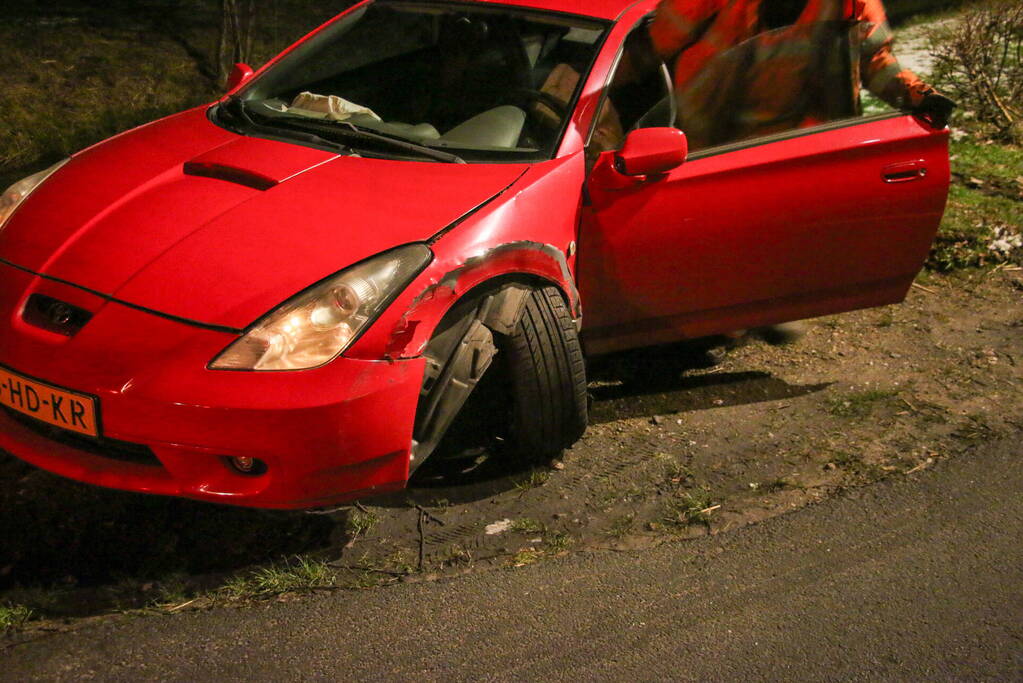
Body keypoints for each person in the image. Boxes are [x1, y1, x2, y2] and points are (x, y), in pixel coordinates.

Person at [647, 0, 956, 150]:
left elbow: (874, 61)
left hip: (801, 150)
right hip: (710, 148)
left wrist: (921, 96)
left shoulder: (850, 4)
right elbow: (650, 48)